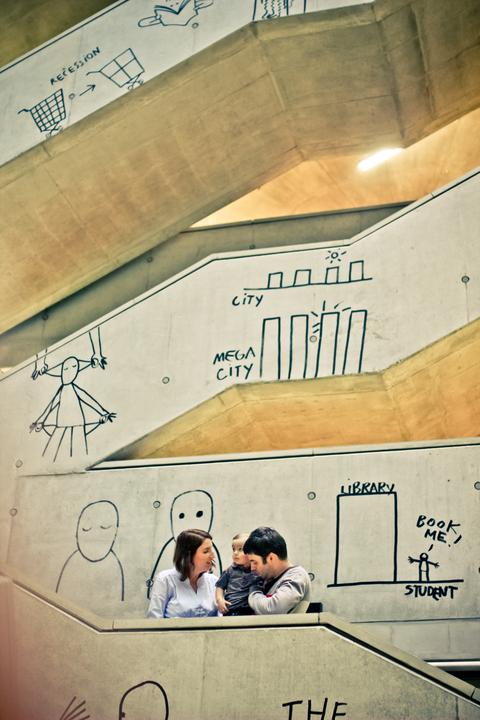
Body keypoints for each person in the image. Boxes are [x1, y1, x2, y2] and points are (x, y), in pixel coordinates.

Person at [147, 528, 218, 618]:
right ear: (188, 554)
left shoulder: (214, 582)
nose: (213, 556)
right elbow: (154, 619)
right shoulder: (165, 580)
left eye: (211, 550)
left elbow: (222, 617)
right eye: (206, 551)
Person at [243, 526, 311, 614]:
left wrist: (254, 592)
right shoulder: (266, 578)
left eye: (255, 562)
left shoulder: (297, 575)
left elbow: (273, 608)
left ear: (271, 558)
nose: (252, 568)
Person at [215, 533, 260, 616]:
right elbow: (219, 586)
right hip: (231, 609)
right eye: (233, 549)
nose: (235, 553)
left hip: (249, 611)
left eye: (240, 549)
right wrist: (220, 600)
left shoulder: (257, 571)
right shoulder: (229, 570)